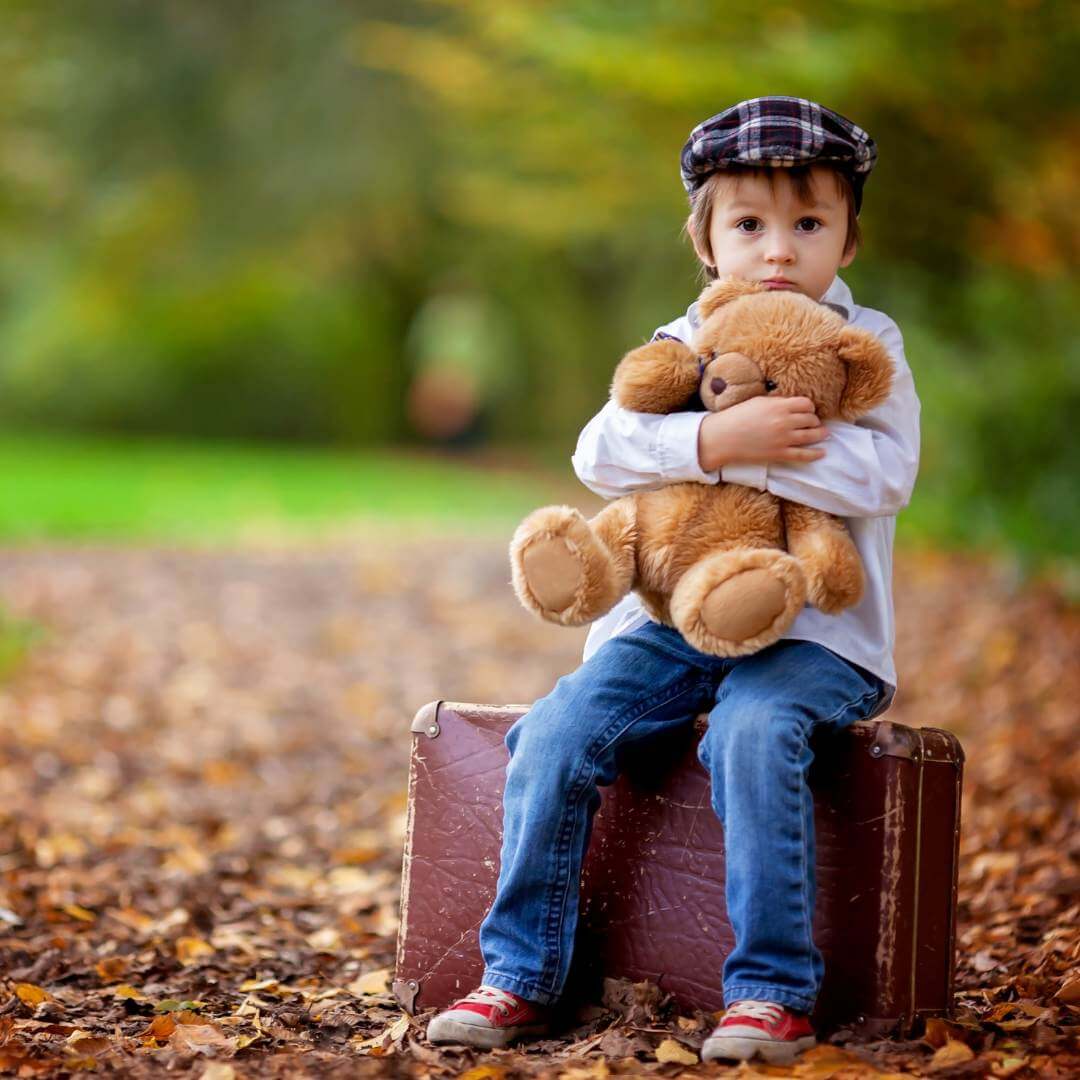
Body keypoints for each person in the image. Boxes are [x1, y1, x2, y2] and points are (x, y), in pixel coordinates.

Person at [426, 96, 920, 1065]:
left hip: (819, 640)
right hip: (669, 625)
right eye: (748, 225)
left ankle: (772, 992)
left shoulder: (869, 348)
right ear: (706, 240)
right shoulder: (680, 338)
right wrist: (714, 439)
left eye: (808, 224)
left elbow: (881, 474)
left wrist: (734, 458)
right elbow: (601, 449)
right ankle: (521, 972)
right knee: (557, 732)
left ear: (848, 240)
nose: (778, 251)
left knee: (751, 730)